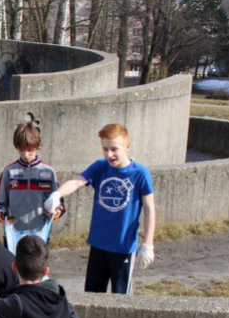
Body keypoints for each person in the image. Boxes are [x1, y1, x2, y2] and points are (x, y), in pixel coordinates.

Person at [43, 123, 155, 294]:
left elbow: (149, 209)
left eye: (114, 149)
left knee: (121, 297)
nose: (109, 154)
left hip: (123, 247)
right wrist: (57, 194)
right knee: (92, 293)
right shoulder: (100, 167)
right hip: (98, 244)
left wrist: (148, 243)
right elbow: (78, 181)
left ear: (127, 147)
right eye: (105, 149)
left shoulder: (140, 174)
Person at [0, 112, 65, 251]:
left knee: (35, 270)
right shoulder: (9, 172)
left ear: (38, 146)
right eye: (21, 150)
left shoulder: (48, 173)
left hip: (40, 233)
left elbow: (60, 204)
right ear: (16, 147)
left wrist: (54, 212)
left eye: (30, 150)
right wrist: (2, 215)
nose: (26, 155)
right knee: (13, 269)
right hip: (14, 234)